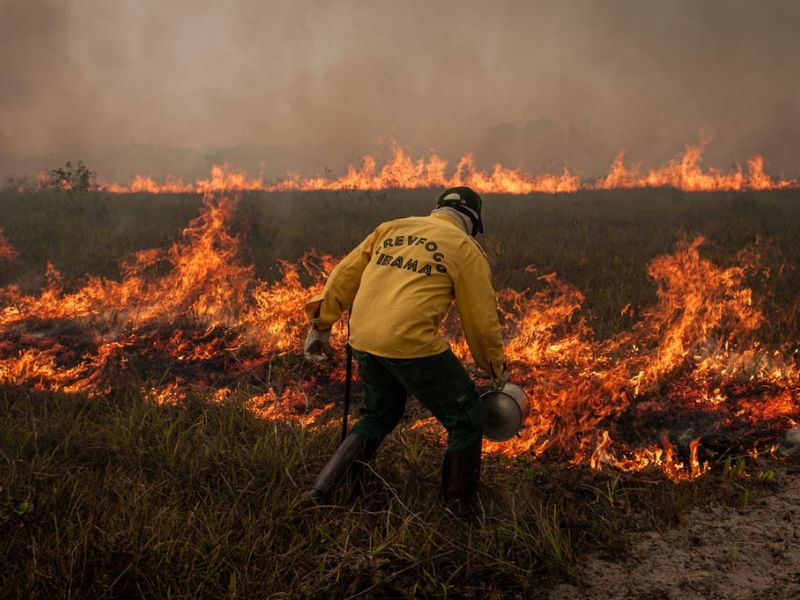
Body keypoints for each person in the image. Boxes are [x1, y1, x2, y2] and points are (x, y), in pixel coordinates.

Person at [303, 186, 506, 504]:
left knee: (379, 415)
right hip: (411, 342)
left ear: (437, 209)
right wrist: (494, 366)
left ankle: (323, 490)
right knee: (466, 417)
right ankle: (459, 511)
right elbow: (480, 321)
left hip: (364, 337)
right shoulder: (465, 248)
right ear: (473, 222)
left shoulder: (391, 228)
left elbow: (344, 276)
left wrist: (321, 324)